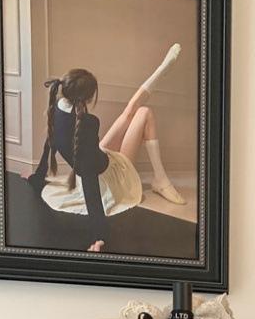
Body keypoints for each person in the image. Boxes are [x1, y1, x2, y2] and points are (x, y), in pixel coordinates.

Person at [27, 46, 185, 254]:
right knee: (143, 112)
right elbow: (90, 178)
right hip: (110, 179)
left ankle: (162, 69)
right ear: (87, 98)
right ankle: (160, 180)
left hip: (98, 160)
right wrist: (98, 235)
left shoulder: (56, 110)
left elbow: (50, 144)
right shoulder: (89, 123)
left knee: (129, 112)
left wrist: (37, 177)